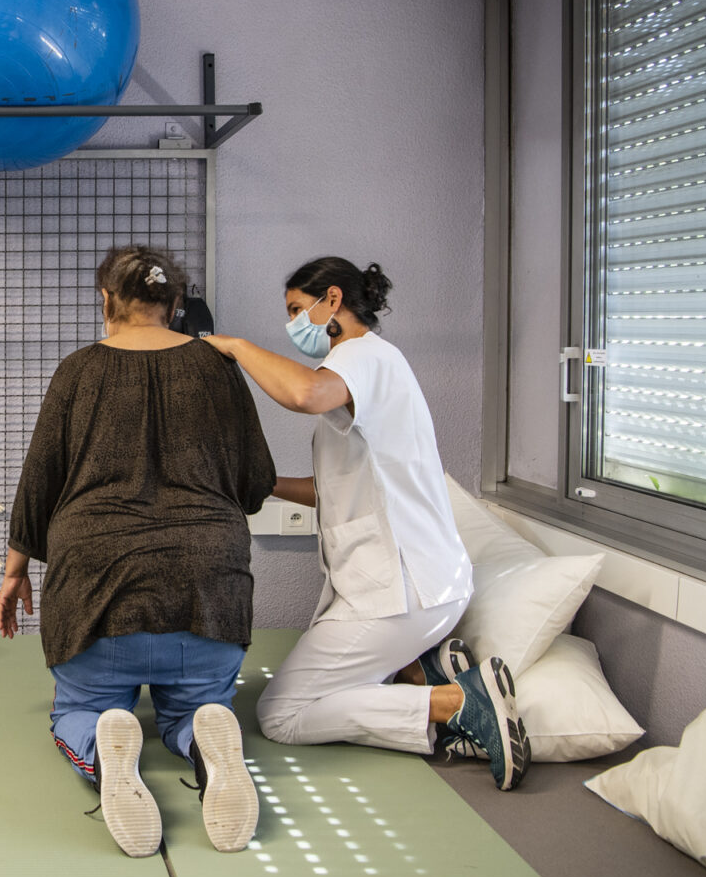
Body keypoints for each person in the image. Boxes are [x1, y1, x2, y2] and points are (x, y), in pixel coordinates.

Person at [202, 256, 530, 791]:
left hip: (405, 590)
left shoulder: (364, 357)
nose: (292, 325)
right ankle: (424, 671)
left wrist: (235, 347)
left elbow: (306, 394)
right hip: (420, 585)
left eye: (295, 309)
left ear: (332, 300)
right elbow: (337, 489)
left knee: (281, 715)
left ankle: (454, 703)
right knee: (320, 686)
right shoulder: (372, 368)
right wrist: (259, 485)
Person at [0, 245, 277, 858]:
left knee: (78, 708)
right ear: (177, 306)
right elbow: (256, 482)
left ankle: (103, 744)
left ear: (106, 302)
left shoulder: (77, 371)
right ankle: (205, 736)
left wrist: (17, 570)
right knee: (195, 705)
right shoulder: (216, 368)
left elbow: (39, 478)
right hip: (208, 587)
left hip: (96, 584)